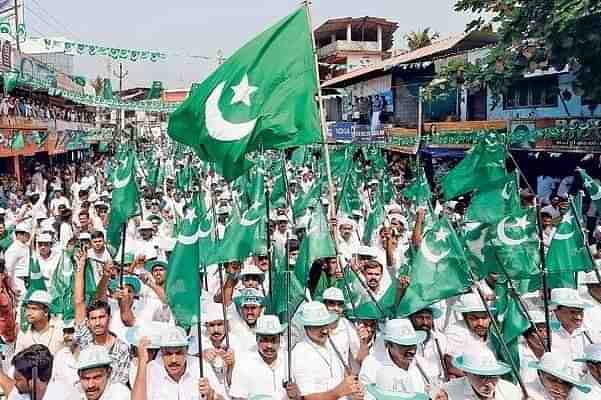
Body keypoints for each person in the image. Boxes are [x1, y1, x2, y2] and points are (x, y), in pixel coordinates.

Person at [74, 249, 131, 385]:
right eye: (93, 319)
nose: (98, 323)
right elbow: (79, 301)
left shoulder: (122, 348)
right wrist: (81, 265)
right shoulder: (85, 336)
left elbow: (119, 385)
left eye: (101, 317)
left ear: (109, 318)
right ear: (87, 322)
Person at [291, 301, 363, 399]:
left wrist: (353, 389)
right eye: (318, 326)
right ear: (306, 327)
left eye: (326, 325)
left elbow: (344, 376)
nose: (324, 330)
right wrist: (338, 392)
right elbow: (307, 398)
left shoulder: (332, 342)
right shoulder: (300, 353)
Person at [132, 325, 226, 400]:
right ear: (161, 351)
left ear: (187, 350)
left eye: (178, 353)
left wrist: (211, 394)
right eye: (168, 354)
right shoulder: (151, 369)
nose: (174, 360)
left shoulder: (200, 366)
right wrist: (142, 362)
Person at [230, 315, 299, 400]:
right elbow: (237, 397)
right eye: (265, 340)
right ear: (257, 338)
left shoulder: (289, 360)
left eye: (273, 340)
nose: (269, 345)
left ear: (280, 339)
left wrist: (295, 396)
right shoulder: (244, 363)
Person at [359, 318, 429, 396]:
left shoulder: (422, 364)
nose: (412, 351)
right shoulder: (372, 364)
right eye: (404, 345)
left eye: (413, 344)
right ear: (388, 345)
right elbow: (365, 395)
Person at [444, 293, 496, 378]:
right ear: (465, 317)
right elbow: (452, 365)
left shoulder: (494, 331)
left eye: (484, 318)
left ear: (490, 318)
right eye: (474, 318)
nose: (480, 323)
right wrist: (479, 379)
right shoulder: (456, 330)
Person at [435, 350, 521, 400]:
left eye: (493, 376)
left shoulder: (511, 391)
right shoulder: (448, 392)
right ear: (465, 373)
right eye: (482, 377)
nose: (489, 384)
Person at [4, 344, 73, 399]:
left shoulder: (65, 396)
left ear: (33, 381)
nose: (14, 383)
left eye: (18, 379)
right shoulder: (18, 394)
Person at [407, 305, 449, 386]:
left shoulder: (441, 339)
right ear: (411, 318)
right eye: (420, 318)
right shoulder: (406, 341)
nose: (425, 322)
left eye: (428, 318)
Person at [526, 352, 591, 400]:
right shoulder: (526, 392)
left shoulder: (576, 396)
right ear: (539, 373)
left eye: (566, 383)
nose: (559, 387)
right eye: (553, 380)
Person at [16, 291, 64, 355]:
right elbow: (16, 359)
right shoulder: (23, 332)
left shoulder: (60, 328)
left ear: (46, 311)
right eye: (27, 308)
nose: (28, 313)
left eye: (34, 308)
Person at [549, 288, 591, 361]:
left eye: (580, 312)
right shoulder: (546, 334)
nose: (578, 317)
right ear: (556, 311)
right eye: (572, 312)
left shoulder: (588, 333)